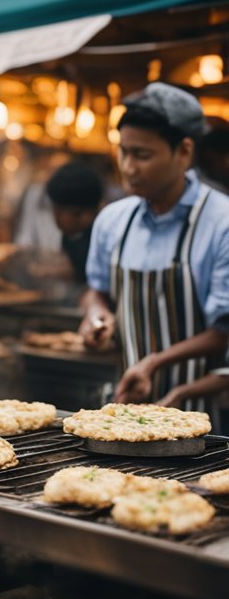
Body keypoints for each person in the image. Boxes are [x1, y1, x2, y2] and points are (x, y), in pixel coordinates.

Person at [82, 83, 229, 411]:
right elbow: (96, 290)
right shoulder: (112, 220)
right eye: (124, 151)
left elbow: (223, 332)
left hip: (204, 414)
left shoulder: (222, 223)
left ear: (184, 152)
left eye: (142, 155)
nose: (128, 167)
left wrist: (153, 362)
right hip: (126, 405)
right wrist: (96, 315)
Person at [45, 162, 104, 284]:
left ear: (85, 214)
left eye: (59, 210)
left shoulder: (101, 241)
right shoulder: (71, 235)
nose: (55, 216)